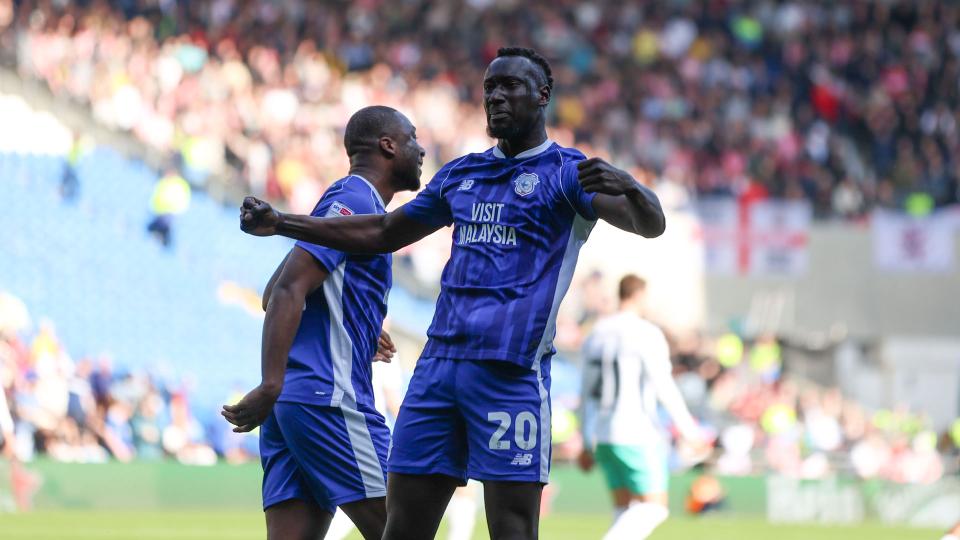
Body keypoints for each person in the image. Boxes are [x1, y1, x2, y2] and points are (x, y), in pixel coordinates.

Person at [239, 46, 665, 540]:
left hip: (509, 375)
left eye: (511, 87)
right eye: (490, 88)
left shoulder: (568, 174)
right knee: (402, 528)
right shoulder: (462, 174)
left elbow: (649, 225)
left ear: (543, 96)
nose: (496, 97)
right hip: (436, 375)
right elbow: (381, 232)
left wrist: (633, 187)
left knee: (511, 527)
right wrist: (283, 223)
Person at [222, 105, 425, 540]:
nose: (421, 149)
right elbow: (286, 291)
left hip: (295, 405)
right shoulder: (354, 199)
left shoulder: (342, 198)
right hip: (327, 397)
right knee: (405, 529)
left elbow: (274, 288)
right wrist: (269, 383)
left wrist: (355, 321)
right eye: (412, 138)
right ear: (388, 145)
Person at [577, 275, 706, 540]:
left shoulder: (597, 332)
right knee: (654, 508)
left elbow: (586, 391)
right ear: (638, 296)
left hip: (602, 434)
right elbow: (664, 386)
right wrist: (691, 432)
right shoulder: (646, 333)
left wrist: (585, 440)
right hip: (635, 432)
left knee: (625, 508)